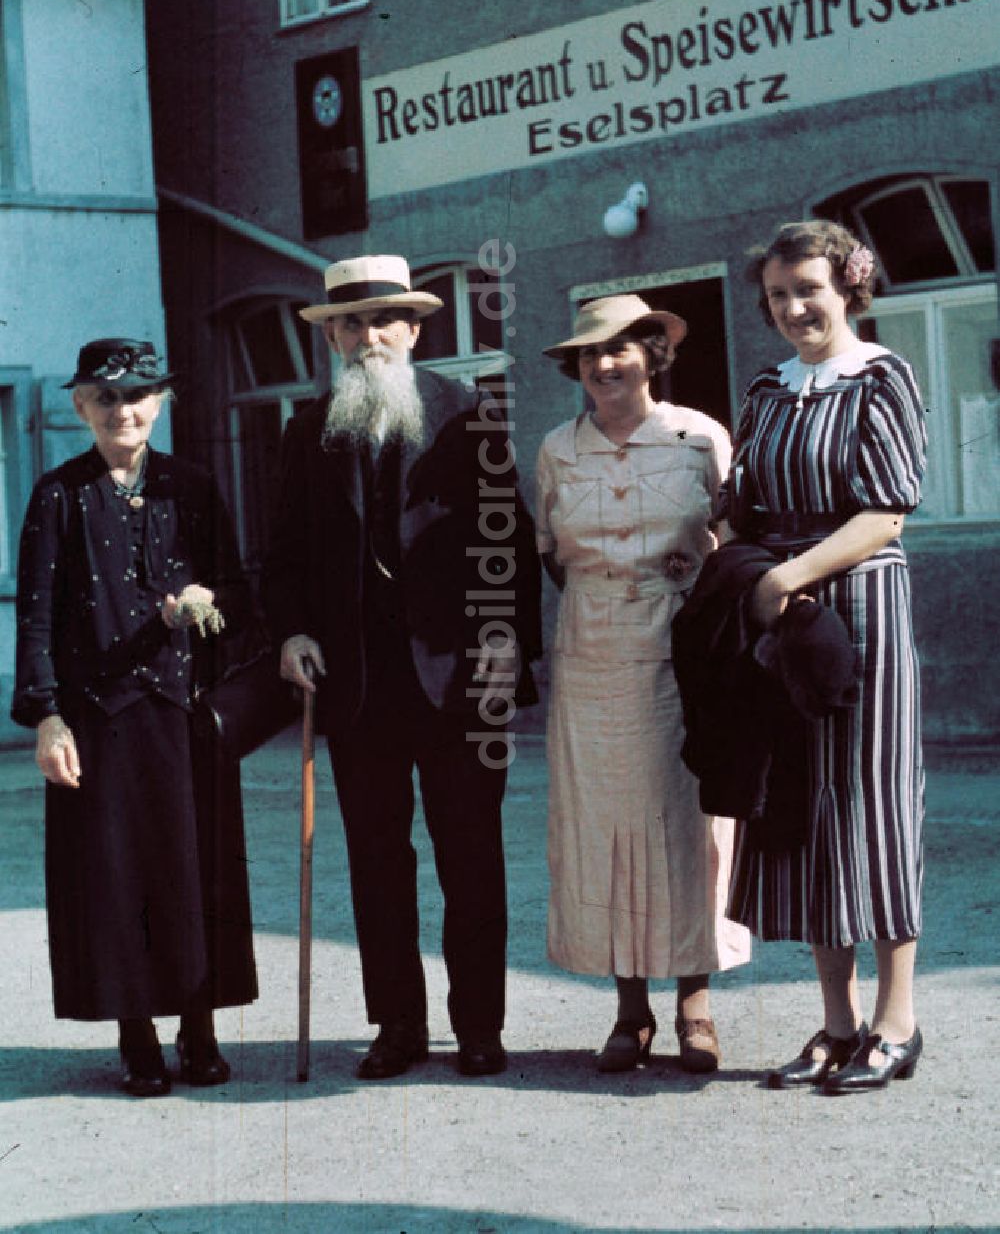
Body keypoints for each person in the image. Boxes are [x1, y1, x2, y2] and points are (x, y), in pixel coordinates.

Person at [264, 255, 541, 1080]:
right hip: (357, 684)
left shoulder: (470, 415)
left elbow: (510, 542)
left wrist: (505, 636)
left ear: (415, 329)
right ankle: (397, 1025)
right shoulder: (308, 429)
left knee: (471, 856)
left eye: (384, 319)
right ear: (335, 336)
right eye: (350, 323)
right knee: (377, 861)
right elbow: (282, 553)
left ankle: (480, 1026)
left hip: (455, 679)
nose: (367, 336)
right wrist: (289, 633)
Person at [12, 338, 258, 1097]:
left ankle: (200, 1026)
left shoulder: (193, 485)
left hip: (186, 712)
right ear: (83, 407)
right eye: (108, 398)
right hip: (100, 721)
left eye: (140, 396)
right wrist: (48, 719)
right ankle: (138, 1035)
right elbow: (37, 618)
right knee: (118, 878)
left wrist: (208, 603)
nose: (125, 410)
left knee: (195, 872)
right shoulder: (59, 496)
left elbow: (237, 592)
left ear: (162, 402)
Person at [723, 220, 927, 1094]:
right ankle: (837, 1023)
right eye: (778, 295)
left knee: (873, 807)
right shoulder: (770, 391)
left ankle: (897, 1021)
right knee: (804, 810)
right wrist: (747, 568)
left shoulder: (883, 377)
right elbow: (738, 502)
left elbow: (887, 510)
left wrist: (791, 574)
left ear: (848, 284)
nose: (795, 308)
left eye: (809, 288)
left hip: (862, 607)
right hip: (788, 615)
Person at [535, 294, 751, 1074]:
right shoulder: (558, 448)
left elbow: (731, 547)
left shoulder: (700, 439)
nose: (603, 365)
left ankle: (695, 1003)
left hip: (682, 653)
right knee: (606, 830)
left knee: (688, 822)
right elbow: (551, 553)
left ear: (652, 355)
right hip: (591, 658)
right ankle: (631, 1010)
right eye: (590, 355)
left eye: (621, 350)